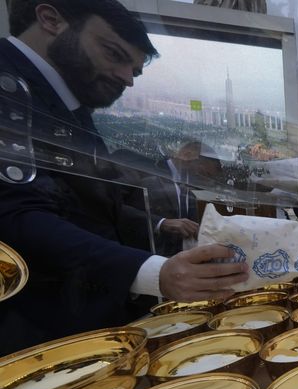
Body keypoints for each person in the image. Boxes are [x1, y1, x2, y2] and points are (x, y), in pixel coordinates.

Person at [0, 0, 248, 353]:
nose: (127, 79)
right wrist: (153, 272)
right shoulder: (11, 87)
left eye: (135, 69)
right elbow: (15, 217)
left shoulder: (65, 104)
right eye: (114, 54)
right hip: (35, 333)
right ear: (50, 19)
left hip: (84, 325)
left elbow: (94, 210)